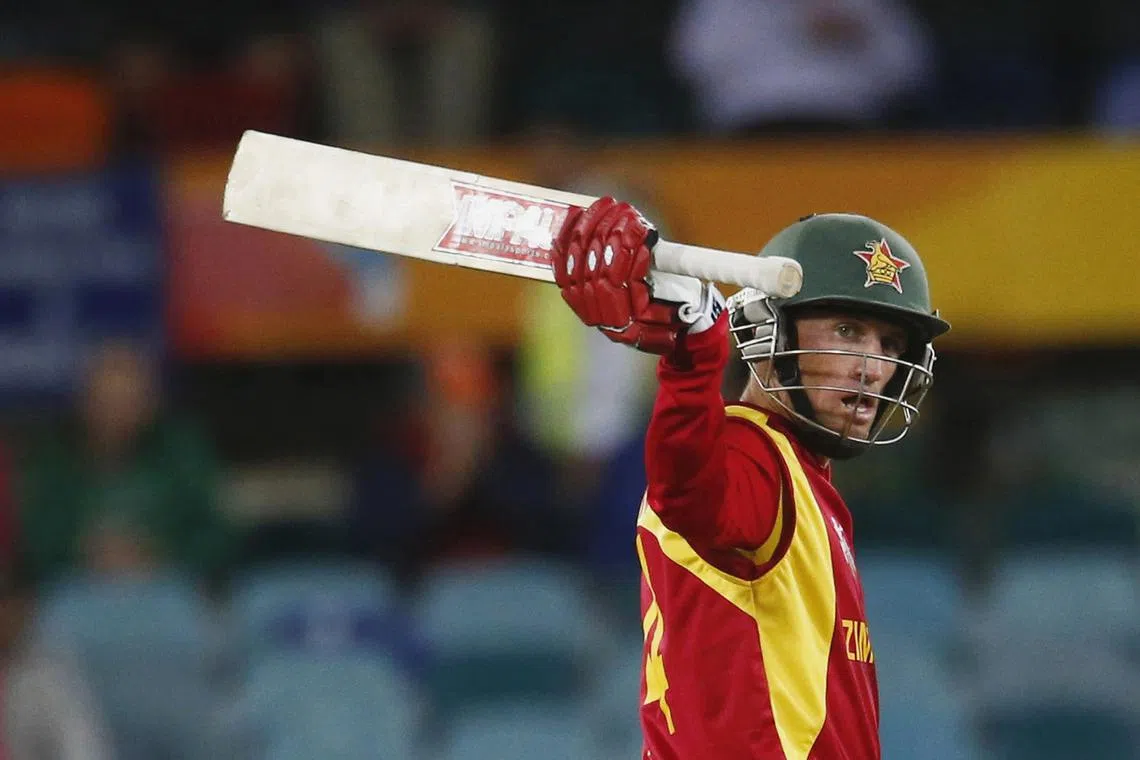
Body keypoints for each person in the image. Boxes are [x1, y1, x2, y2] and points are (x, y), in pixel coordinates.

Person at [550, 199, 950, 758]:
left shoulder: (801, 475)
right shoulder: (749, 452)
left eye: (888, 344)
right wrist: (691, 363)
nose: (875, 367)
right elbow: (690, 491)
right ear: (767, 331)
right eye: (847, 329)